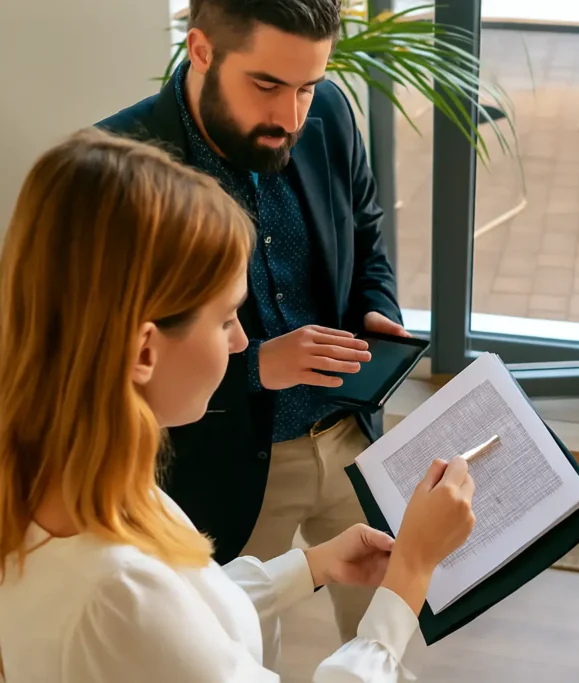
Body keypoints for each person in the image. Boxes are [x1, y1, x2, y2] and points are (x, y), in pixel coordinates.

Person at [0, 129, 475, 682]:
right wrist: (411, 573)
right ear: (145, 351)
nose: (241, 342)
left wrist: (310, 566)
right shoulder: (116, 594)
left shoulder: (71, 474)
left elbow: (183, 621)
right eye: (227, 319)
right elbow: (151, 618)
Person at [99, 0, 406, 643]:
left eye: (307, 86)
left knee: (389, 623)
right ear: (202, 50)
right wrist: (256, 364)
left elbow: (367, 234)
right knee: (237, 645)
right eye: (266, 85)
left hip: (349, 431)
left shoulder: (329, 115)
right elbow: (105, 349)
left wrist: (377, 311)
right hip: (224, 460)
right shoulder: (118, 168)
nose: (291, 117)